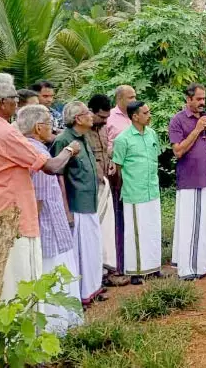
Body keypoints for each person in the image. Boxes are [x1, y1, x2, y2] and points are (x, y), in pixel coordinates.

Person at [0, 73, 80, 301]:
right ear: (2, 102)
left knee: (2, 287)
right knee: (22, 287)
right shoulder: (6, 131)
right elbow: (49, 166)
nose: (17, 102)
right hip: (15, 221)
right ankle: (23, 337)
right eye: (14, 97)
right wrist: (69, 150)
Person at [17, 105, 83, 332]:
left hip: (50, 224)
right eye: (49, 124)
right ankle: (57, 328)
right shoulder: (36, 151)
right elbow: (40, 196)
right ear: (38, 127)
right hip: (47, 227)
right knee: (53, 275)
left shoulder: (32, 147)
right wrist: (70, 150)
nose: (52, 129)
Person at [169, 83, 206, 280]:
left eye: (204, 99)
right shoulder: (178, 120)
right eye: (199, 99)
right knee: (192, 224)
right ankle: (190, 268)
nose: (203, 102)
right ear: (189, 99)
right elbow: (178, 151)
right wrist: (197, 129)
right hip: (191, 179)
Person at [53, 101, 106, 305]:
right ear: (78, 119)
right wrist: (66, 210)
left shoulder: (83, 138)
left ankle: (92, 290)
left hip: (89, 202)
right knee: (80, 252)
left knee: (92, 249)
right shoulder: (64, 140)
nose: (92, 116)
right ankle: (80, 295)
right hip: (76, 205)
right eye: (88, 113)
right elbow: (59, 178)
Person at [112, 101, 162, 285]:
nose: (149, 115)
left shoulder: (152, 134)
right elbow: (117, 168)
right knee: (136, 232)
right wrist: (123, 188)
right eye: (145, 113)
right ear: (135, 116)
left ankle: (154, 267)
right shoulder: (122, 139)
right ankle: (135, 271)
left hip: (152, 189)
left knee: (153, 229)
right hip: (134, 192)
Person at [86, 94, 122, 284]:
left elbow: (106, 151)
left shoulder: (102, 128)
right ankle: (95, 275)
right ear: (90, 112)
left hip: (105, 182)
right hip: (89, 188)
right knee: (92, 231)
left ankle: (107, 271)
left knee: (106, 229)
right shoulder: (82, 131)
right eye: (101, 117)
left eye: (107, 118)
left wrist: (111, 163)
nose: (105, 121)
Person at [105, 84, 137, 276]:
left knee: (133, 216)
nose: (134, 100)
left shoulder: (137, 116)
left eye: (135, 97)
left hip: (136, 176)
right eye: (130, 97)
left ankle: (133, 258)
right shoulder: (110, 118)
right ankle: (118, 263)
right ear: (119, 99)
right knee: (118, 217)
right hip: (118, 174)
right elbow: (106, 145)